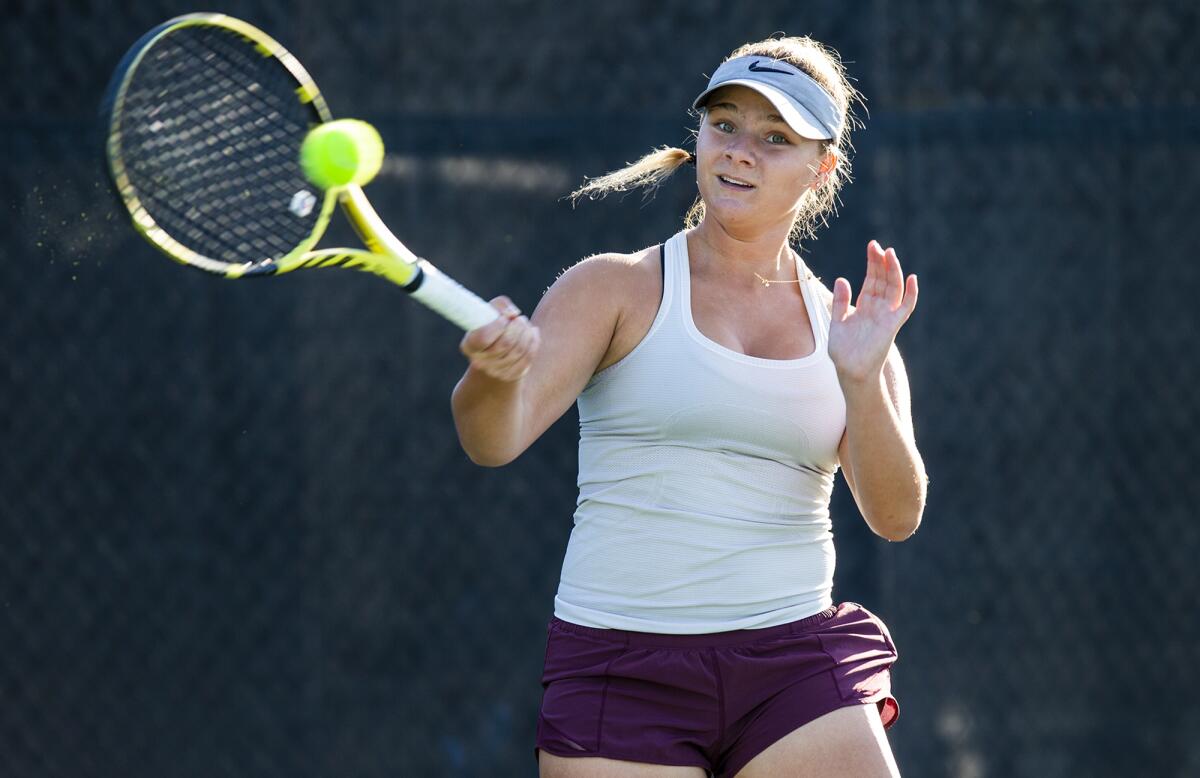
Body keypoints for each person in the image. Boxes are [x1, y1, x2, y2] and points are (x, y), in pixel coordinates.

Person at [451, 34, 927, 778]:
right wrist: (491, 377)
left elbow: (896, 517)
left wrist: (862, 381)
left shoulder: (850, 330)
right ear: (699, 136)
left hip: (792, 665)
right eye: (725, 124)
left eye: (775, 138)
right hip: (622, 664)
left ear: (821, 169)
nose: (740, 151)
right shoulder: (612, 287)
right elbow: (492, 441)